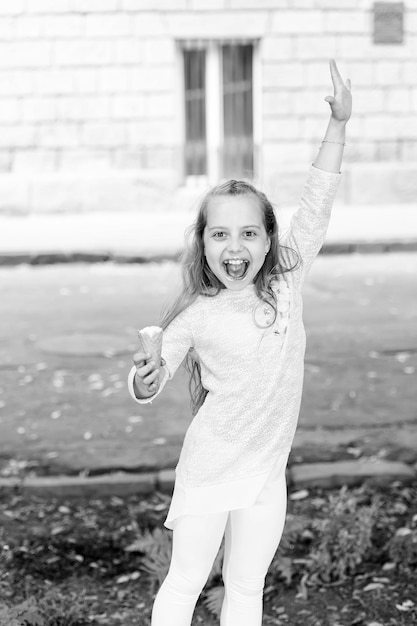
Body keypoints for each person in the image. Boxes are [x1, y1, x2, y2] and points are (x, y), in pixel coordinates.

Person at [128, 59, 352, 626]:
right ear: (203, 244)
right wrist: (144, 379)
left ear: (269, 239)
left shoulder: (286, 282)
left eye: (249, 232)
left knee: (247, 587)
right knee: (185, 583)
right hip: (209, 469)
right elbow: (152, 378)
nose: (236, 244)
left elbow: (318, 201)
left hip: (266, 469)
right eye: (220, 232)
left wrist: (338, 127)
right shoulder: (195, 315)